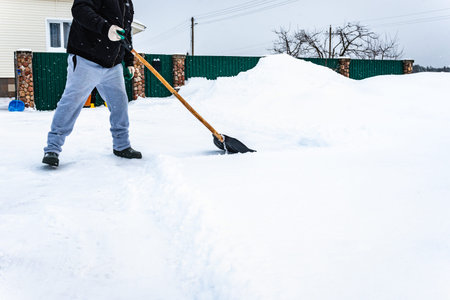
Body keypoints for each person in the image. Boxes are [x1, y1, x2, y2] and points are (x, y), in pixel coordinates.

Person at [42, 0, 141, 167]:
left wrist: (129, 61)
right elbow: (80, 9)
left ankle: (121, 145)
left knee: (120, 104)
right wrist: (105, 28)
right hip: (85, 58)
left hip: (113, 64)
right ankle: (52, 148)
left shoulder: (127, 3)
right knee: (71, 103)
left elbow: (126, 33)